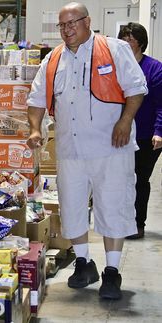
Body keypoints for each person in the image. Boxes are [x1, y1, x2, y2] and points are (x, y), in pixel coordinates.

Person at [26, 2, 147, 300]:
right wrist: (35, 128)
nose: (67, 30)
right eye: (62, 25)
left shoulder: (114, 49)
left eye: (73, 23)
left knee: (113, 206)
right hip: (70, 149)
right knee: (72, 207)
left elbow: (136, 89)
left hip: (111, 148)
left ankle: (112, 272)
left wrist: (125, 121)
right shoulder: (53, 59)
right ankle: (83, 263)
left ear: (87, 21)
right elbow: (36, 99)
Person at [117, 23, 162, 239]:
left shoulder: (155, 68)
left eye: (130, 39)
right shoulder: (114, 67)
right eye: (123, 38)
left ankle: (137, 223)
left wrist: (159, 131)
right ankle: (121, 221)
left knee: (139, 179)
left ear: (140, 42)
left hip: (146, 135)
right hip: (119, 133)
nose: (126, 43)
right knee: (121, 179)